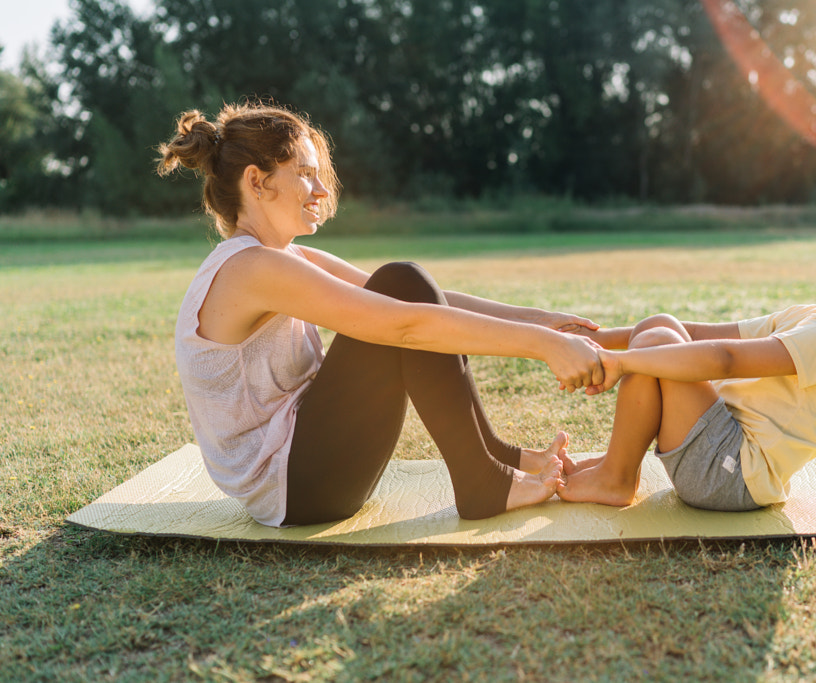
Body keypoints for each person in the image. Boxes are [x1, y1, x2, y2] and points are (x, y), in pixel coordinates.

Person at [157, 102, 604, 526]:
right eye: (306, 175)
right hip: (295, 487)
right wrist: (546, 346)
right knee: (401, 285)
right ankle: (483, 482)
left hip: (307, 471)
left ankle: (495, 459)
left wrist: (539, 320)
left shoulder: (280, 257)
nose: (321, 190)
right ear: (257, 182)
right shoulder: (252, 267)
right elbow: (405, 321)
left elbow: (423, 299)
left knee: (401, 283)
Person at [558, 202, 816, 511]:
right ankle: (615, 467)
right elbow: (698, 333)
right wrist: (597, 341)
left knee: (659, 340)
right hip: (721, 444)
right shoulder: (811, 317)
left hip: (731, 477)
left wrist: (622, 363)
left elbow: (726, 359)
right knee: (661, 325)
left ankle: (615, 477)